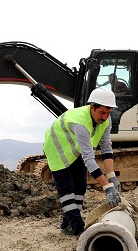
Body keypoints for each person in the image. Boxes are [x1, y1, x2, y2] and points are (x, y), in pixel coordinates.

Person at [43, 88, 122, 236]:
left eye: (108, 113)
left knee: (80, 186)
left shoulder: (106, 120)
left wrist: (112, 177)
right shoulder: (80, 123)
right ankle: (79, 229)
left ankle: (67, 225)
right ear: (92, 108)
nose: (105, 117)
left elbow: (106, 148)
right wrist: (107, 187)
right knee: (66, 190)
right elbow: (89, 159)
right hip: (57, 150)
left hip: (75, 149)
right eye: (102, 113)